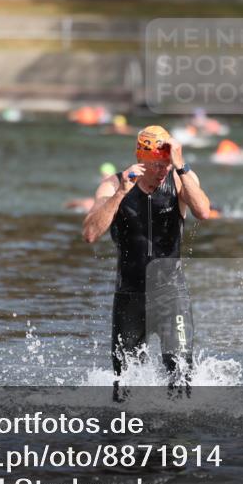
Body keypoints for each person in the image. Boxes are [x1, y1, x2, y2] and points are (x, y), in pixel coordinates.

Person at [82, 126, 212, 399]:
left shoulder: (179, 179)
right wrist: (120, 193)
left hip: (171, 294)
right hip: (130, 295)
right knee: (124, 386)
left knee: (180, 374)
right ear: (140, 158)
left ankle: (177, 438)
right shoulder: (113, 184)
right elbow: (90, 234)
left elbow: (203, 212)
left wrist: (181, 166)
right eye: (156, 165)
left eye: (166, 163)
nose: (162, 170)